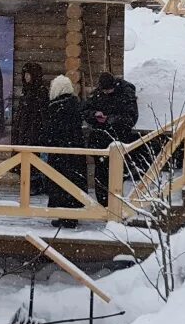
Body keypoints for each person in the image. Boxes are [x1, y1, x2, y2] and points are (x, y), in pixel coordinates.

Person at [82, 72, 139, 207]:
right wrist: (94, 115)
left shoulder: (126, 94)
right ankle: (103, 205)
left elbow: (131, 118)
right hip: (100, 140)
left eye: (109, 90)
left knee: (117, 174)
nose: (106, 92)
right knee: (100, 174)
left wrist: (110, 120)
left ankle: (115, 205)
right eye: (104, 90)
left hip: (118, 139)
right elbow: (85, 110)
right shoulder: (98, 94)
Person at [40, 75, 86, 229]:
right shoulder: (74, 104)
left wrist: (47, 140)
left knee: (60, 183)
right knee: (72, 182)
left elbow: (51, 130)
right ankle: (72, 216)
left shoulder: (56, 106)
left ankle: (65, 216)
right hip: (74, 152)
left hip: (60, 151)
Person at [11, 62, 48, 194]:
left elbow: (42, 113)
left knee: (34, 156)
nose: (26, 77)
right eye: (25, 74)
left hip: (34, 130)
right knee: (24, 156)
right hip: (24, 129)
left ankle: (35, 184)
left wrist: (39, 129)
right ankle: (26, 183)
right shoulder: (26, 90)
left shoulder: (41, 91)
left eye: (28, 74)